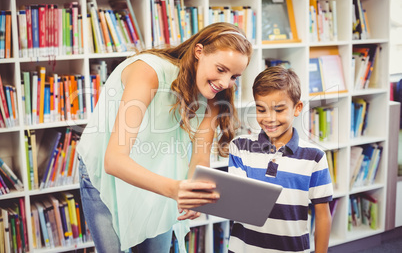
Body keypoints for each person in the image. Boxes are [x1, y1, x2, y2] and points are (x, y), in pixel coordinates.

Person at [76, 22, 253, 253]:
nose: (225, 82)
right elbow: (114, 160)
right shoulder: (148, 72)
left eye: (234, 76)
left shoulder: (216, 94)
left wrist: (194, 192)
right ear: (199, 52)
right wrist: (175, 189)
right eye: (220, 69)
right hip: (106, 175)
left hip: (157, 177)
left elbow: (199, 157)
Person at [227, 66, 333, 253]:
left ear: (297, 108)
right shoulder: (239, 147)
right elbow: (236, 202)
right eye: (261, 109)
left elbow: (323, 215)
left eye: (279, 109)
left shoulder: (315, 157)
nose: (269, 118)